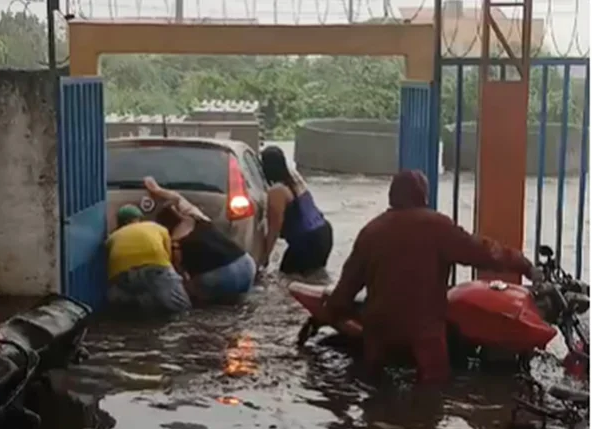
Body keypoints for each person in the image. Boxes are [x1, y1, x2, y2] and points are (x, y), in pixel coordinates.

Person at [324, 169, 543, 385]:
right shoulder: (437, 226)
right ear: (423, 195)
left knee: (372, 390)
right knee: (434, 392)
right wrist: (524, 265)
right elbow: (485, 252)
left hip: (380, 330)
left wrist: (333, 311)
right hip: (424, 332)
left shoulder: (371, 231)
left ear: (393, 194)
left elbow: (347, 286)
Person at [143, 177, 256, 305]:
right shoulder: (196, 217)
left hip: (218, 276)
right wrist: (157, 190)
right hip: (245, 265)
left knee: (201, 303)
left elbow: (178, 275)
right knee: (240, 305)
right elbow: (177, 198)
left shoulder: (175, 244)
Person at [260, 145, 333, 276]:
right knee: (312, 277)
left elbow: (274, 229)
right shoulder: (295, 179)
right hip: (324, 233)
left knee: (286, 279)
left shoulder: (277, 191)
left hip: (307, 241)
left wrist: (265, 257)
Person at [106, 204, 191, 313]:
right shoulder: (157, 227)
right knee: (181, 308)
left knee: (128, 312)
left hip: (122, 276)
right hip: (155, 269)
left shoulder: (113, 237)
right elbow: (168, 257)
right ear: (139, 218)